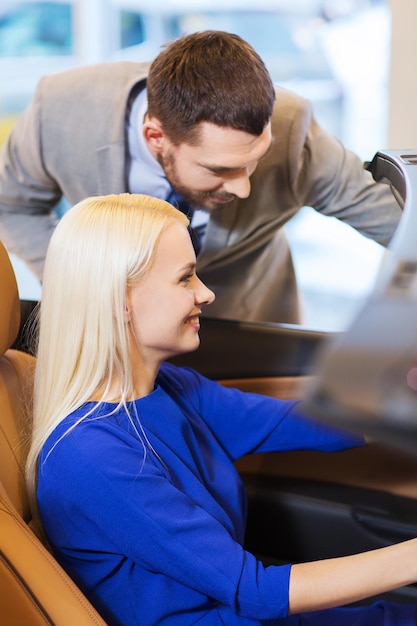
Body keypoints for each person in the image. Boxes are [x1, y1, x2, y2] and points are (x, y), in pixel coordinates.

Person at [26, 192, 417, 626]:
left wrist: (403, 395)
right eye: (185, 278)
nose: (206, 293)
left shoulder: (168, 387)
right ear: (119, 298)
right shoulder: (92, 457)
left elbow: (296, 422)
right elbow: (256, 593)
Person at [0, 31, 402, 324]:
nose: (243, 186)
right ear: (155, 136)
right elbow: (11, 205)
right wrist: (83, 283)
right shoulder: (59, 111)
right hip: (108, 334)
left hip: (247, 327)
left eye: (254, 160)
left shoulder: (295, 130)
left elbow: (400, 224)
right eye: (220, 169)